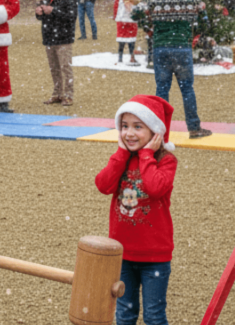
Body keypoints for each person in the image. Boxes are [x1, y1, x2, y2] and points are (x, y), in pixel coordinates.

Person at [95, 95, 178, 325]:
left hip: (155, 256)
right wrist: (121, 154)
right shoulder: (121, 159)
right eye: (124, 126)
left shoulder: (166, 161)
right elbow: (103, 185)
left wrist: (146, 155)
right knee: (124, 314)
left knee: (154, 316)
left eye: (138, 127)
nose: (129, 133)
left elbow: (155, 188)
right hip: (122, 254)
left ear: (155, 132)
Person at [133, 0, 213, 139]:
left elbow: (135, 14)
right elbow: (205, 23)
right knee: (187, 89)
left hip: (161, 47)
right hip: (182, 48)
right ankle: (194, 127)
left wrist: (149, 28)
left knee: (162, 89)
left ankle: (160, 131)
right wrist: (192, 33)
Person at [36, 0, 76, 106]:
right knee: (54, 68)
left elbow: (71, 16)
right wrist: (39, 12)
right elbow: (42, 15)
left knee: (65, 68)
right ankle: (57, 94)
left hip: (64, 38)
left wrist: (53, 10)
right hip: (49, 37)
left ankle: (68, 95)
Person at [114, 0, 141, 65]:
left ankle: (131, 57)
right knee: (122, 41)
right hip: (123, 21)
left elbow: (134, 10)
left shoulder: (132, 0)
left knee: (131, 41)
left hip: (130, 22)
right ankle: (121, 58)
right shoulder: (120, 1)